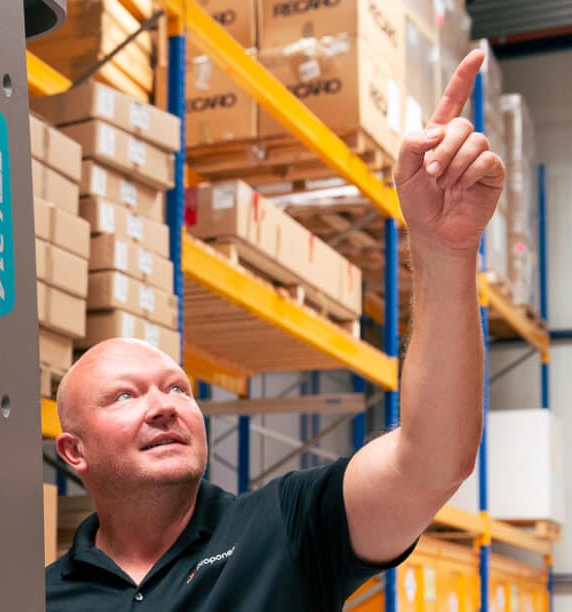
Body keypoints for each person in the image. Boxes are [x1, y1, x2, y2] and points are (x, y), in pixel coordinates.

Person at [45, 48, 504, 611]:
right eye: (123, 396)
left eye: (178, 389)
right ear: (74, 451)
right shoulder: (39, 596)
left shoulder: (286, 528)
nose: (164, 405)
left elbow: (431, 461)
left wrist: (443, 250)